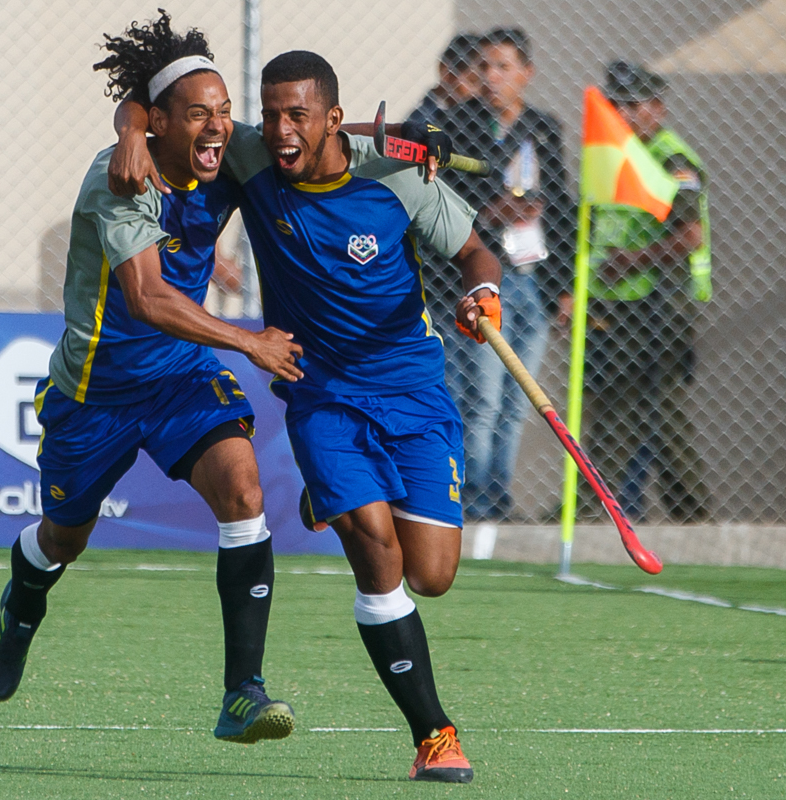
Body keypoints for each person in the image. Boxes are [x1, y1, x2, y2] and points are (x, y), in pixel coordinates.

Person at [112, 50, 504, 784]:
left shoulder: (398, 178)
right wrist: (130, 124)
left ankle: (334, 494)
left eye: (299, 115)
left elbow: (477, 250)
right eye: (271, 115)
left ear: (330, 117)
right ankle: (435, 735)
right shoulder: (257, 158)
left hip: (414, 392)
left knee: (434, 576)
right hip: (320, 393)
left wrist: (480, 297)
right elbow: (162, 113)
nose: (280, 131)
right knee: (377, 552)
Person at [0, 12, 304, 746]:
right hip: (95, 392)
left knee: (244, 490)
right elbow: (147, 298)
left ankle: (242, 693)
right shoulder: (121, 173)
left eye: (224, 109)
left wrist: (403, 152)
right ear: (157, 123)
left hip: (181, 377)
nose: (220, 126)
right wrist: (249, 341)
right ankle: (21, 606)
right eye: (199, 114)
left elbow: (306, 141)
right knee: (65, 538)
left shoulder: (229, 145)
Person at [417, 27, 575, 521]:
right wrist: (489, 213)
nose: (490, 77)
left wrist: (566, 287)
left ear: (526, 74)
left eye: (502, 67)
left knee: (518, 398)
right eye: (483, 67)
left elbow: (562, 207)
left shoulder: (544, 129)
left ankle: (498, 496)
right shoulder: (456, 126)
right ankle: (474, 496)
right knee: (480, 397)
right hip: (483, 280)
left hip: (533, 281)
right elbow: (443, 200)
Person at [580, 61, 712, 522]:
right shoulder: (619, 156)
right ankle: (692, 513)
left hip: (660, 301)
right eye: (617, 105)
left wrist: (628, 263)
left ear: (657, 108)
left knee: (627, 406)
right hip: (622, 302)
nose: (624, 113)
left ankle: (589, 508)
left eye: (634, 105)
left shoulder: (670, 159)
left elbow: (689, 236)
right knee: (652, 409)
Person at [407, 33, 487, 126]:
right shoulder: (424, 120)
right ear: (447, 73)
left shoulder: (483, 116)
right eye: (472, 82)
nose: (477, 92)